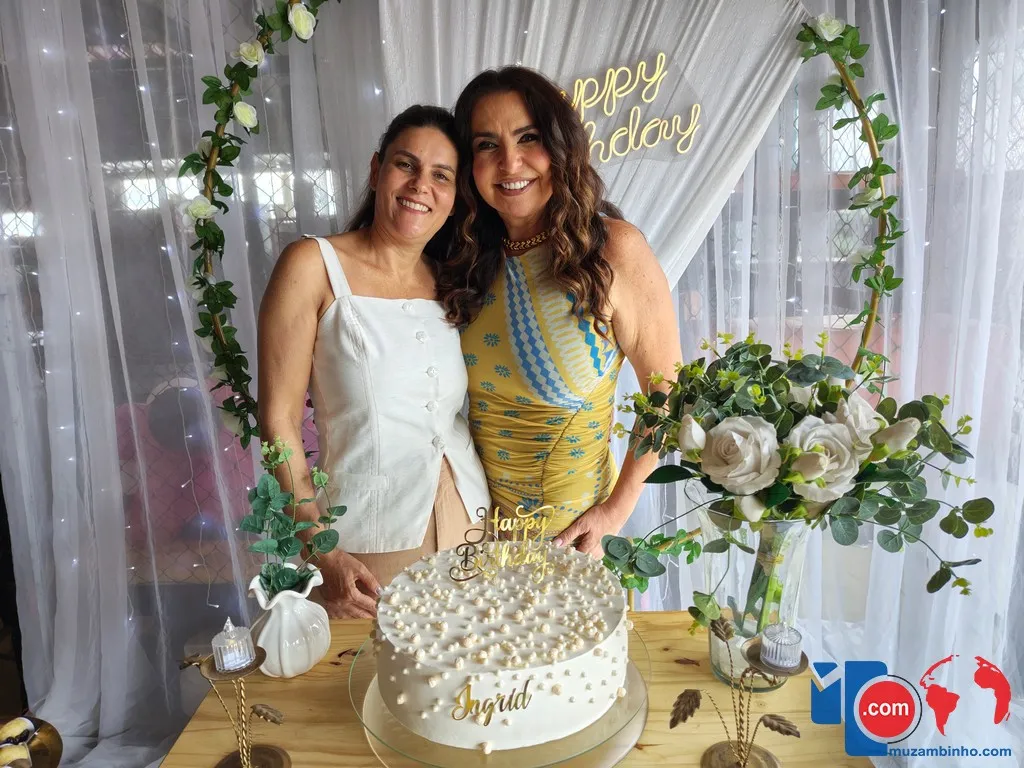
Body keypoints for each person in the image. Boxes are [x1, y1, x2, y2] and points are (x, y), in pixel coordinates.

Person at [258, 105, 490, 618]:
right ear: (376, 169)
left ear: (455, 196)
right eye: (406, 164)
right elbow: (277, 421)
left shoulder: (449, 280)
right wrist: (320, 547)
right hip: (366, 540)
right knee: (375, 669)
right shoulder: (312, 265)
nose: (420, 185)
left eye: (441, 175)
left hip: (471, 525)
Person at [441, 67, 682, 557]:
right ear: (469, 163)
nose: (510, 162)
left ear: (560, 145)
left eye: (528, 137)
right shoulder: (462, 260)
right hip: (475, 544)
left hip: (576, 551)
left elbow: (669, 392)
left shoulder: (614, 250)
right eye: (487, 145)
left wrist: (616, 511)